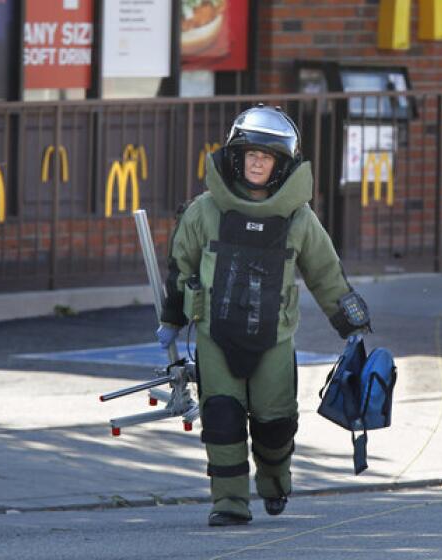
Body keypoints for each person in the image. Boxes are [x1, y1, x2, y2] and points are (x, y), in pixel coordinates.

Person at [156, 105, 371, 527]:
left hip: (274, 338)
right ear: (236, 157)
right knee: (221, 419)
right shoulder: (204, 210)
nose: (257, 161)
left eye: (267, 156)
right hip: (216, 336)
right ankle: (230, 503)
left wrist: (352, 326)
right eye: (251, 153)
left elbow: (326, 274)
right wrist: (171, 320)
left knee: (275, 426)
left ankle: (275, 482)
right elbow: (180, 267)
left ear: (280, 165)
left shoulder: (299, 218)